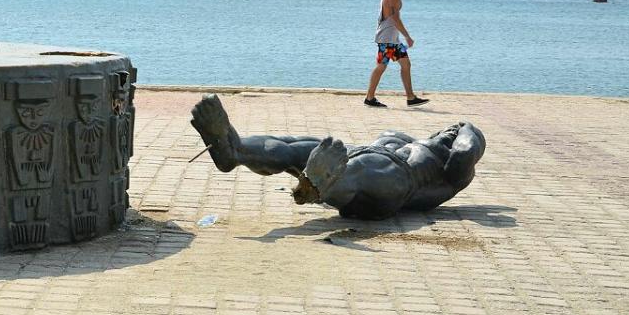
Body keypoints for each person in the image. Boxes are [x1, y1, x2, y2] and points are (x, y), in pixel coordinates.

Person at [189, 94, 485, 219]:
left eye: (453, 133)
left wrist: (468, 128)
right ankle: (235, 151)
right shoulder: (409, 139)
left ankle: (320, 185)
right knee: (295, 145)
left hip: (395, 183)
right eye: (449, 128)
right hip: (354, 156)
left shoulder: (451, 172)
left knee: (363, 167)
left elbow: (465, 150)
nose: (450, 131)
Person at [364, 0, 429, 108]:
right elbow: (395, 19)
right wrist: (408, 37)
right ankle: (369, 98)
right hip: (387, 39)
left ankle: (411, 98)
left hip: (392, 40)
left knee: (405, 64)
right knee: (381, 66)